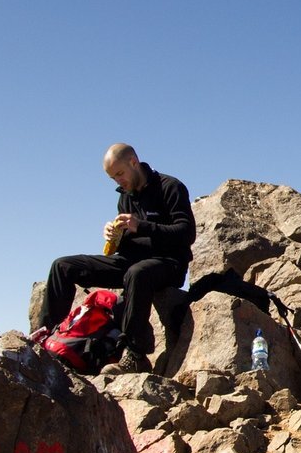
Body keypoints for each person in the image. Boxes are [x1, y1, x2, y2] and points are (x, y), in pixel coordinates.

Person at [33, 143, 196, 374]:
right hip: (131, 260)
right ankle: (47, 338)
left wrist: (141, 225)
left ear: (133, 162)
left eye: (120, 174)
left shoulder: (170, 187)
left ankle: (135, 355)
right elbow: (128, 243)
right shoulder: (126, 197)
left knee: (137, 273)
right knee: (63, 266)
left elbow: (186, 233)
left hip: (169, 262)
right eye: (112, 178)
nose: (118, 181)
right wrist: (115, 235)